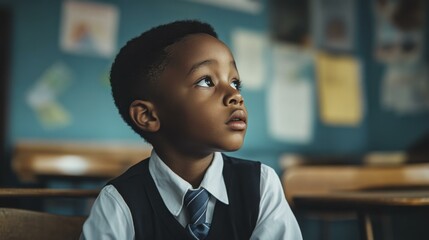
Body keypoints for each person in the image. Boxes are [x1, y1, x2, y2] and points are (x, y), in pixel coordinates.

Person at [81, 19, 302, 240]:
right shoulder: (119, 202)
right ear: (148, 115)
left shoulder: (261, 185)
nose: (235, 96)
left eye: (235, 82)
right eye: (206, 81)